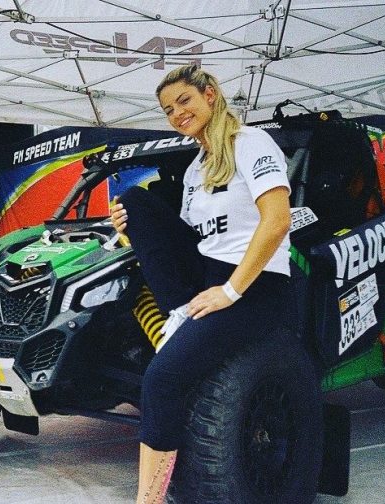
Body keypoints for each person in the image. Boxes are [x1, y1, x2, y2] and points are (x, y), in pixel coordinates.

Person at [110, 64, 292, 504]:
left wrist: (231, 291)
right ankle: (178, 314)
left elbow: (277, 221)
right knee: (133, 201)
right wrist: (129, 228)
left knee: (161, 379)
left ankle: (149, 500)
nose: (177, 114)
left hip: (256, 285)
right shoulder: (195, 170)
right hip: (208, 277)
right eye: (168, 110)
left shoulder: (251, 142)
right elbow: (188, 242)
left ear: (210, 94)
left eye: (184, 101)